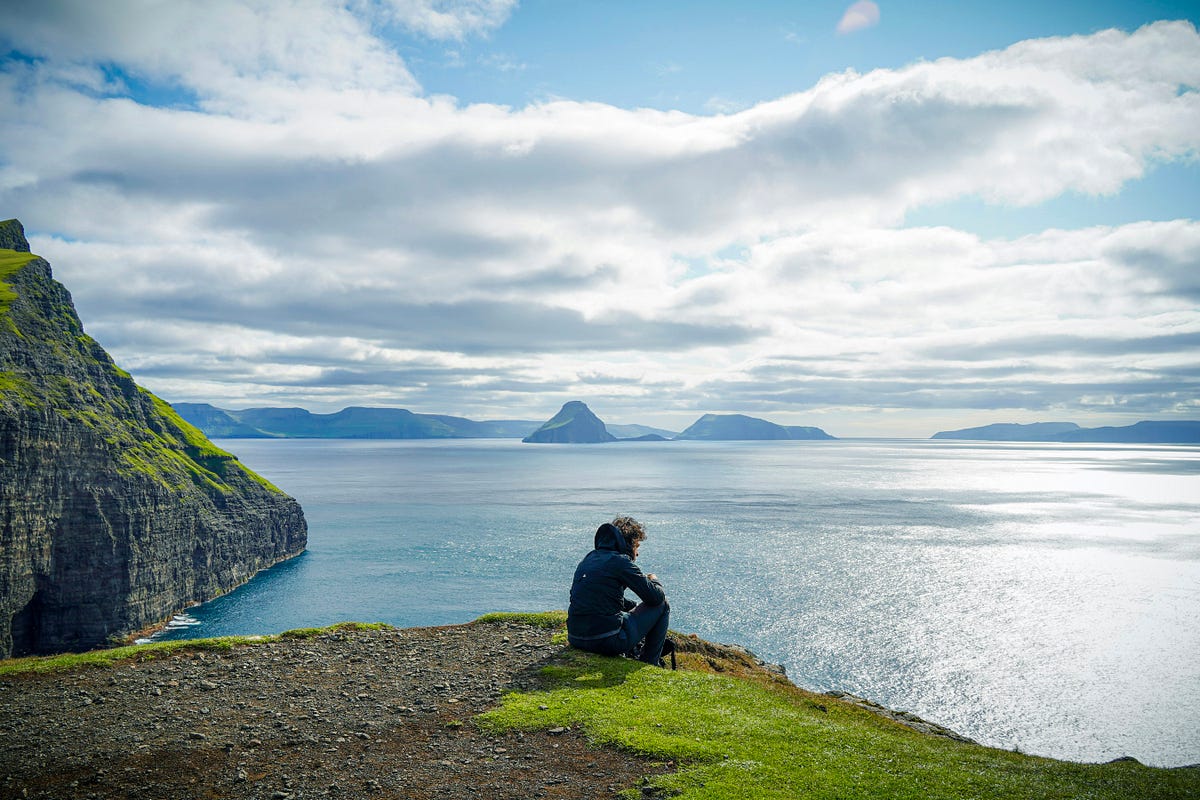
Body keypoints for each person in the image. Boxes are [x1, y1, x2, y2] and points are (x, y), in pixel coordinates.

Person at [567, 516, 670, 666]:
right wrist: (654, 580)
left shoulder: (589, 558)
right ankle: (650, 663)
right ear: (628, 544)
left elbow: (600, 598)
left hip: (575, 637)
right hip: (606, 641)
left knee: (630, 607)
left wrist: (632, 606)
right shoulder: (621, 562)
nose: (637, 553)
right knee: (663, 605)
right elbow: (655, 598)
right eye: (637, 546)